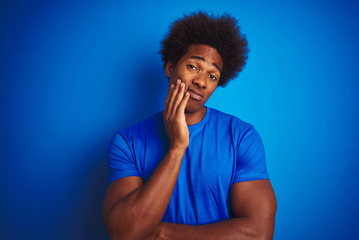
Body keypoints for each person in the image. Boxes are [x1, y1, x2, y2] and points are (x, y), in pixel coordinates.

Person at [102, 11, 277, 240]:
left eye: (212, 76)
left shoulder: (241, 136)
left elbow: (259, 234)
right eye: (193, 67)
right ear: (170, 67)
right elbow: (124, 232)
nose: (201, 82)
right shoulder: (127, 142)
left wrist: (164, 233)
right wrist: (177, 148)